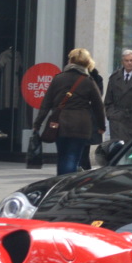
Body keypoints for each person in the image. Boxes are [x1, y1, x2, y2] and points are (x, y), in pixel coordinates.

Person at [33, 48, 106, 176]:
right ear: (87, 63)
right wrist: (101, 126)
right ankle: (67, 184)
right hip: (81, 125)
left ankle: (60, 183)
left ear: (71, 61)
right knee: (73, 157)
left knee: (62, 156)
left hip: (59, 124)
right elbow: (98, 106)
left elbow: (46, 103)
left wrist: (37, 123)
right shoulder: (88, 81)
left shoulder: (58, 78)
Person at [104, 48, 132, 144]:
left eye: (131, 60)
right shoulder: (114, 77)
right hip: (118, 120)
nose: (129, 63)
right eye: (126, 60)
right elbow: (108, 100)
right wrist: (111, 115)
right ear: (122, 62)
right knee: (117, 150)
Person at [79, 64, 105, 170]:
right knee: (83, 145)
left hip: (86, 115)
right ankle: (83, 167)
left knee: (84, 146)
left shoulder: (95, 78)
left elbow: (98, 100)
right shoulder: (95, 78)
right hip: (86, 115)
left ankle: (83, 167)